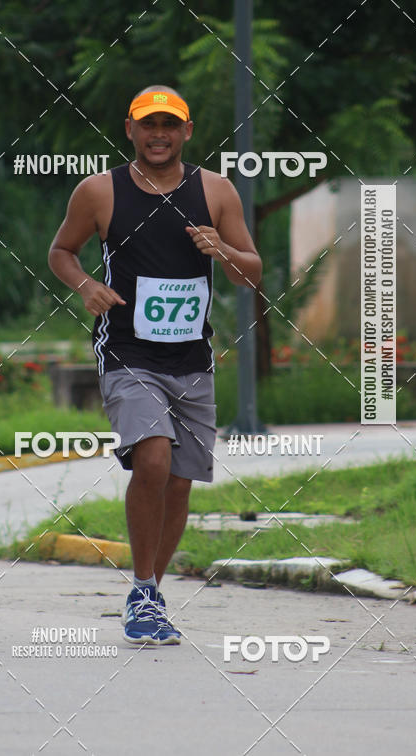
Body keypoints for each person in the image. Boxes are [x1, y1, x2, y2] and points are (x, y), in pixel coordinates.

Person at [48, 85, 262, 645]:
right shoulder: (99, 191)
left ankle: (150, 596)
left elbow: (251, 272)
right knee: (153, 459)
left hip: (191, 356)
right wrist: (86, 285)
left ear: (187, 131)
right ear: (130, 129)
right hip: (127, 349)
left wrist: (224, 251)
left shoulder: (216, 191)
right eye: (149, 125)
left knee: (181, 480)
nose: (159, 134)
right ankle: (143, 587)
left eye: (170, 125)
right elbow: (60, 251)